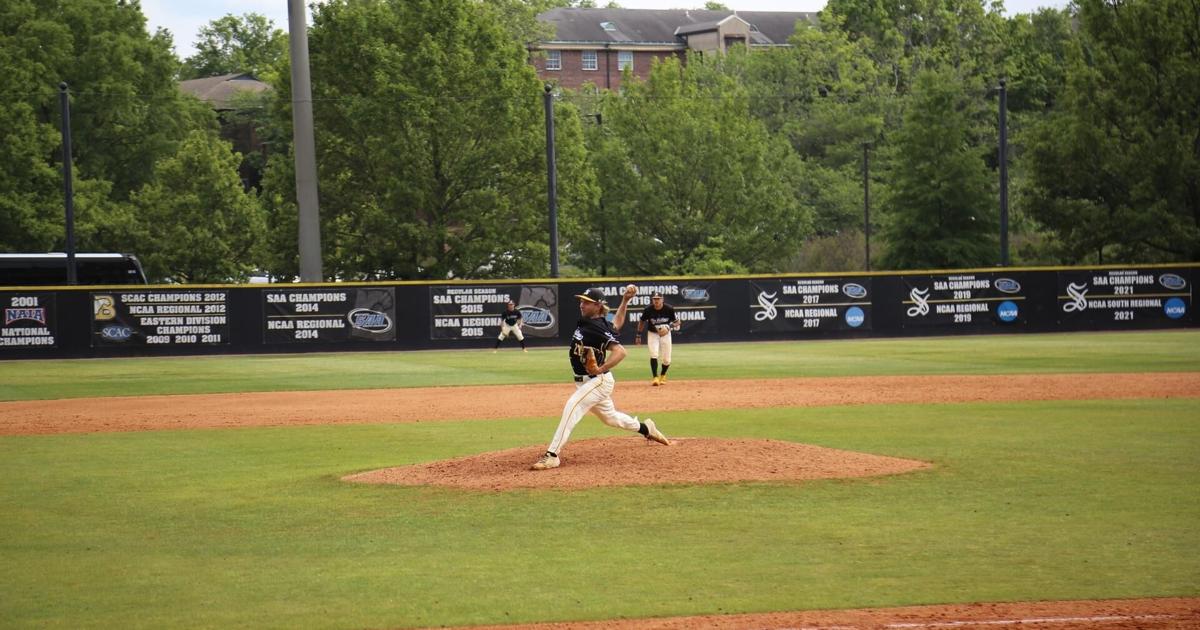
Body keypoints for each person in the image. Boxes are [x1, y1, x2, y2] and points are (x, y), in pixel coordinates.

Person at [531, 286, 670, 470]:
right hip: (586, 381)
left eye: (586, 302)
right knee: (610, 418)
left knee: (573, 405)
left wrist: (601, 368)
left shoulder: (596, 326)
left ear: (597, 306)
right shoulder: (594, 322)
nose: (581, 305)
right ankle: (646, 428)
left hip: (598, 381)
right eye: (581, 301)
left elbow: (620, 351)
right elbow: (616, 324)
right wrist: (625, 300)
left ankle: (552, 455)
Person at [635, 291, 681, 386]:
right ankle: (655, 377)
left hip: (665, 334)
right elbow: (642, 321)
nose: (656, 301)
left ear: (662, 299)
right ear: (652, 300)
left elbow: (678, 322)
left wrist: (669, 327)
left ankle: (663, 375)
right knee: (654, 354)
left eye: (658, 299)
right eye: (654, 299)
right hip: (653, 333)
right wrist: (638, 335)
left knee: (667, 359)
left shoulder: (669, 309)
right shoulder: (648, 309)